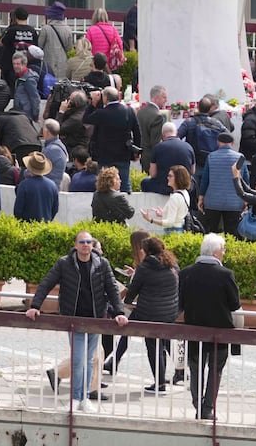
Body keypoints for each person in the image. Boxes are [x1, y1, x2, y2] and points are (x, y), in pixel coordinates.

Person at [26, 230, 129, 412]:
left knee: (88, 360)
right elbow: (46, 283)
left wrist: (119, 312)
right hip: (74, 318)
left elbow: (112, 288)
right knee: (78, 359)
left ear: (92, 245)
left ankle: (84, 397)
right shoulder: (64, 263)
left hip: (95, 318)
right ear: (75, 245)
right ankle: (76, 397)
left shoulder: (102, 264)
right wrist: (35, 305)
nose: (85, 245)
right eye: (82, 242)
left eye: (88, 242)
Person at [177, 234, 240, 420]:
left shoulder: (186, 272)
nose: (224, 252)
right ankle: (208, 408)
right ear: (216, 252)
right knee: (215, 370)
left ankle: (198, 404)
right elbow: (234, 304)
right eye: (224, 249)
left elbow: (179, 302)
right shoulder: (226, 274)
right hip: (220, 330)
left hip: (193, 328)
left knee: (195, 368)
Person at [124, 237, 180, 393]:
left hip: (149, 313)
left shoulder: (145, 267)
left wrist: (127, 300)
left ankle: (160, 383)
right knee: (163, 343)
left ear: (146, 251)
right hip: (169, 313)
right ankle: (177, 371)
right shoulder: (173, 265)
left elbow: (133, 291)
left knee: (153, 347)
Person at [85, 86, 141, 191]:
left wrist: (93, 103)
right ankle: (126, 205)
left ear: (105, 98)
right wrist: (137, 151)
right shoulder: (129, 111)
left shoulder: (102, 113)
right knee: (124, 183)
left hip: (105, 155)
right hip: (123, 153)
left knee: (104, 185)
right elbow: (137, 132)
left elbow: (86, 118)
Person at [141, 122, 194, 195]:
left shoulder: (158, 148)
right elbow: (192, 171)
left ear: (162, 134)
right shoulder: (188, 147)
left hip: (163, 187)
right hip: (184, 187)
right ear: (176, 133)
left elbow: (153, 174)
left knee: (144, 182)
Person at [141, 165, 194, 234]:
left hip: (172, 231)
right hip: (179, 229)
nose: (167, 178)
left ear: (178, 178)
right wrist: (164, 213)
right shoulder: (185, 193)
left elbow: (169, 222)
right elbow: (177, 214)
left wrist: (150, 220)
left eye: (170, 176)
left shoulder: (175, 197)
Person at [14, 152, 60, 222]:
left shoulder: (24, 185)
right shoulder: (52, 185)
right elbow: (55, 209)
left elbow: (18, 210)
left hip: (27, 227)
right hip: (45, 227)